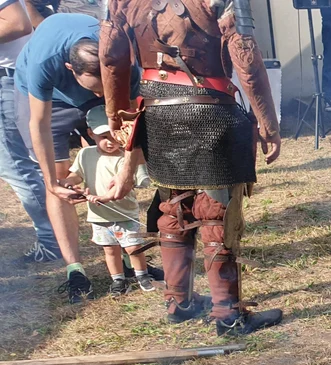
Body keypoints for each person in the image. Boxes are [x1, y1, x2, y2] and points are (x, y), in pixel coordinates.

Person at [100, 0, 284, 334]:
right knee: (217, 213)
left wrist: (116, 116)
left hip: (155, 111)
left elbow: (111, 57)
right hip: (211, 107)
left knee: (174, 208)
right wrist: (268, 123)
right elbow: (247, 61)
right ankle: (227, 315)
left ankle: (179, 302)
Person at [14, 14, 120, 302]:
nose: (99, 93)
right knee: (60, 178)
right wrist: (51, 182)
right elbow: (39, 124)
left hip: (101, 73)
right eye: (94, 87)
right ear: (71, 68)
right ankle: (75, 270)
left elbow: (133, 111)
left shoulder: (117, 45)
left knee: (111, 157)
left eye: (102, 86)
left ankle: (123, 258)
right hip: (49, 99)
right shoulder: (43, 63)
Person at [65, 106, 155, 296]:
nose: (110, 141)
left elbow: (130, 184)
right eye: (103, 136)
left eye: (113, 135)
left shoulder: (128, 156)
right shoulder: (85, 154)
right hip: (99, 217)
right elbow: (75, 175)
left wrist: (104, 197)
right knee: (110, 250)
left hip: (125, 213)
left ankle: (142, 275)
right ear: (90, 134)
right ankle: (118, 280)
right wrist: (68, 183)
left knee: (133, 248)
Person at [0, 0, 58, 264]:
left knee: (15, 165)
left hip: (6, 79)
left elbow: (18, 24)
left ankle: (52, 241)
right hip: (15, 75)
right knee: (23, 163)